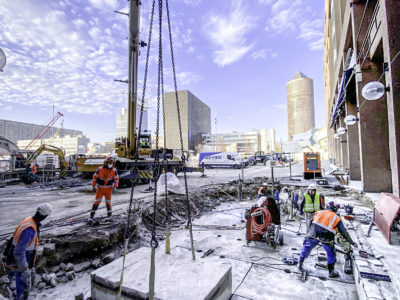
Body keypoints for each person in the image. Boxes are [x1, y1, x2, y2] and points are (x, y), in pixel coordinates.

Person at [2, 203, 53, 300]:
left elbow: (13, 237)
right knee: (23, 286)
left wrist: (5, 253)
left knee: (26, 281)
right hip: (20, 262)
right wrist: (24, 268)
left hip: (25, 260)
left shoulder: (29, 220)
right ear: (44, 216)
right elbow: (18, 251)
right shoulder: (30, 229)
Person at [298, 202, 358, 278]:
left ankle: (300, 264)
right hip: (326, 236)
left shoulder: (319, 212)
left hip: (314, 232)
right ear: (335, 210)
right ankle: (331, 271)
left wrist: (308, 233)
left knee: (307, 247)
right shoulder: (336, 217)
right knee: (331, 252)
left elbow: (310, 221)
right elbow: (343, 232)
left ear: (327, 208)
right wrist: (352, 242)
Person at [89, 157, 119, 224]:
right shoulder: (100, 169)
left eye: (112, 163)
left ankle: (109, 216)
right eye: (110, 163)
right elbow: (95, 177)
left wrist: (115, 186)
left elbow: (116, 178)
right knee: (96, 202)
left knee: (108, 202)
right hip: (100, 189)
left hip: (109, 189)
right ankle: (91, 217)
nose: (111, 164)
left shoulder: (114, 170)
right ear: (106, 163)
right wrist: (93, 186)